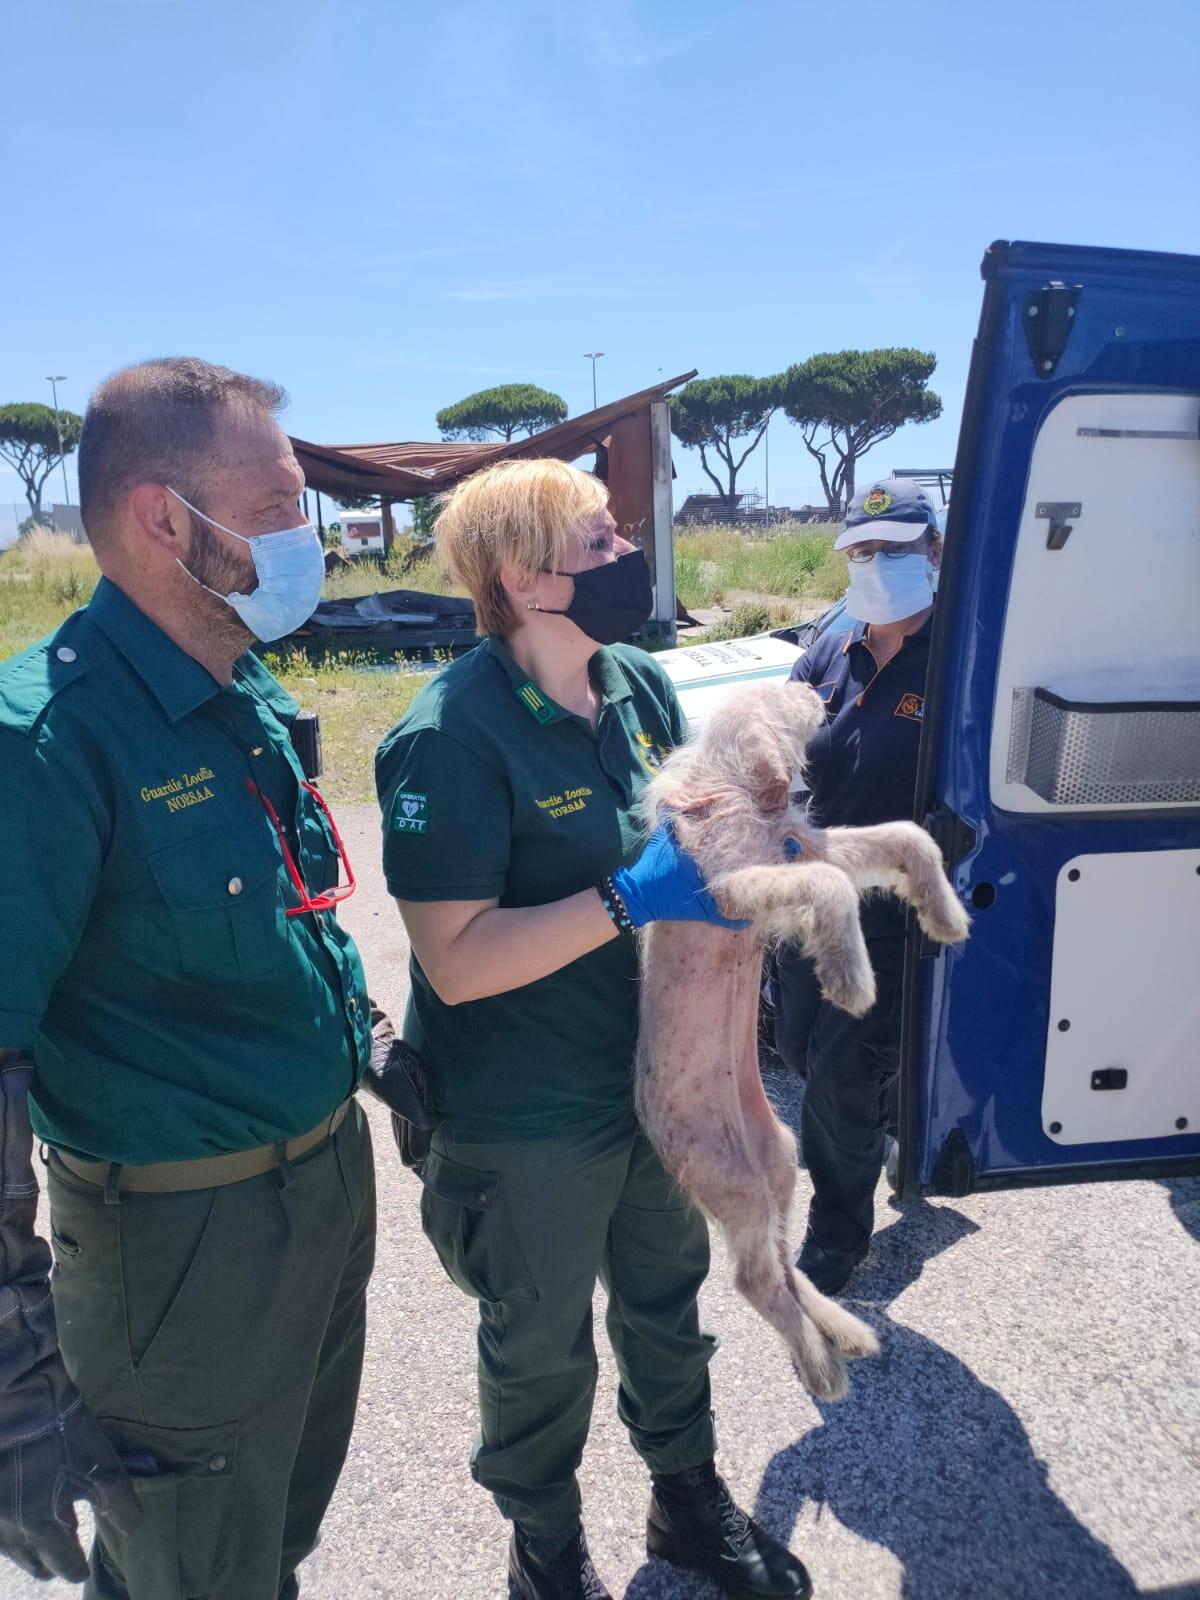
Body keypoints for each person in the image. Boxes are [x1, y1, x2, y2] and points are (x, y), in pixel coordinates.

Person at [376, 458, 811, 1600]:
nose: (630, 560)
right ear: (525, 580)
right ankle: (547, 1545)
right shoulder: (449, 737)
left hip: (647, 1084)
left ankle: (685, 1501)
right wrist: (627, 897)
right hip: (523, 1115)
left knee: (668, 1303)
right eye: (603, 545)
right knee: (539, 1343)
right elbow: (457, 963)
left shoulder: (633, 687)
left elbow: (692, 839)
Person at [0, 358, 376, 1599]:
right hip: (178, 1252)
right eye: (275, 508)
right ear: (168, 521)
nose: (303, 538)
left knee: (266, 1542)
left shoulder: (239, 689)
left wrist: (369, 1039)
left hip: (320, 1197)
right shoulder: (43, 743)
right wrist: (13, 1381)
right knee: (187, 1576)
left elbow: (285, 911)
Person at [774, 479, 943, 1297]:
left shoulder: (957, 657)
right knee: (796, 1050)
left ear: (935, 550)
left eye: (898, 548)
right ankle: (907, 1119)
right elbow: (786, 743)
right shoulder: (830, 644)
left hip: (889, 911)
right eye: (863, 550)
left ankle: (837, 1230)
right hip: (809, 895)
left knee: (840, 1078)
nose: (878, 565)